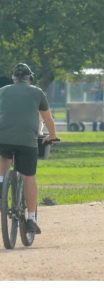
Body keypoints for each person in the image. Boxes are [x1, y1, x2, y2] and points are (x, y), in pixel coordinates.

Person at [0, 63, 59, 234]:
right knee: (28, 177)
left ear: (13, 78)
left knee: (3, 161)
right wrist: (52, 136)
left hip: (3, 138)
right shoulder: (37, 92)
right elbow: (48, 119)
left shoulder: (2, 91)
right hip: (27, 141)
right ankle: (31, 218)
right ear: (30, 79)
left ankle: (1, 184)